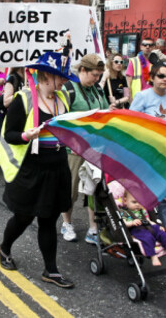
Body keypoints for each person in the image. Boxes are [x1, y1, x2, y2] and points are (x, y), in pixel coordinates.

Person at [0, 51, 76, 289]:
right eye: (60, 77)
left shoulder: (63, 97)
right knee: (23, 216)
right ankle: (5, 247)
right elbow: (9, 134)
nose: (64, 81)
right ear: (46, 76)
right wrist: (25, 135)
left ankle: (51, 270)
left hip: (57, 169)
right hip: (31, 171)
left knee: (48, 220)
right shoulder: (24, 99)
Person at [130, 62, 166, 254]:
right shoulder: (142, 96)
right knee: (143, 197)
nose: (165, 79)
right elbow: (130, 123)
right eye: (161, 76)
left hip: (165, 154)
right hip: (145, 155)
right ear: (152, 78)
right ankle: (143, 236)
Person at [61, 54, 114, 244]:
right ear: (82, 70)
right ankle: (67, 223)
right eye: (94, 74)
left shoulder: (97, 90)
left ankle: (93, 228)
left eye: (100, 75)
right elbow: (60, 121)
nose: (97, 79)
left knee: (94, 189)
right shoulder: (68, 89)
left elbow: (105, 114)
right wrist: (71, 143)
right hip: (73, 151)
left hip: (96, 149)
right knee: (71, 190)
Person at [117, 186, 166, 267]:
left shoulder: (142, 210)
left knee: (163, 234)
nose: (137, 205)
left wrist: (158, 226)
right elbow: (123, 223)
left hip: (148, 226)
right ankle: (153, 256)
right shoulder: (124, 212)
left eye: (139, 202)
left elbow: (148, 220)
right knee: (148, 237)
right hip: (137, 230)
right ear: (125, 201)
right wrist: (132, 223)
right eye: (134, 202)